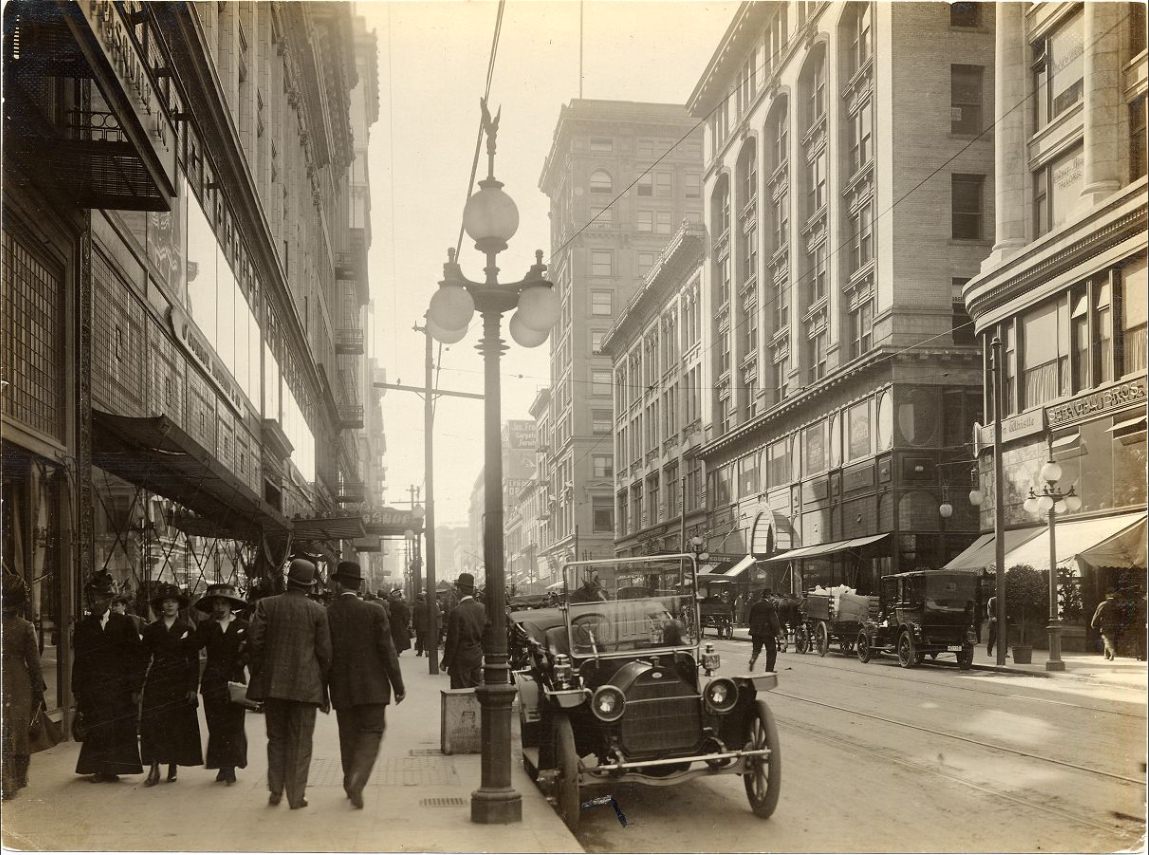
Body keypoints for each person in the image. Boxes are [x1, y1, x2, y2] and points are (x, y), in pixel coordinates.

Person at [248, 558, 332, 810]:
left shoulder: (266, 605)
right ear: (309, 585)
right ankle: (296, 796)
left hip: (274, 686)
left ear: (287, 580)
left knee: (276, 739)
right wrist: (324, 689)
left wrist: (261, 672)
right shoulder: (318, 611)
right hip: (306, 688)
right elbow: (325, 654)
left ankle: (275, 790)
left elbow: (255, 642)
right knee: (301, 742)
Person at [326, 561, 405, 809]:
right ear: (358, 585)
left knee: (347, 736)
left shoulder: (328, 613)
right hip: (373, 688)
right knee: (372, 732)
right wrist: (398, 685)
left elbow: (323, 654)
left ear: (338, 584)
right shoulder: (375, 611)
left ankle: (349, 780)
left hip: (341, 688)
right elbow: (387, 651)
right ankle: (358, 779)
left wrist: (322, 692)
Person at [73, 573, 145, 782]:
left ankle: (113, 768)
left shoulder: (124, 623)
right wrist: (77, 689)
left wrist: (135, 687)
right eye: (93, 597)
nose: (95, 602)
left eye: (100, 598)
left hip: (120, 687)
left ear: (109, 600)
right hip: (94, 687)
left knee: (118, 726)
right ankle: (99, 768)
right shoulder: (84, 626)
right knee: (98, 725)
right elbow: (80, 661)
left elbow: (137, 657)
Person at [139, 584, 203, 787]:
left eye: (173, 602)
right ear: (161, 606)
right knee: (154, 724)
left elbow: (193, 661)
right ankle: (154, 767)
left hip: (179, 682)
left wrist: (192, 688)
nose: (169, 605)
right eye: (166, 602)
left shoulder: (186, 629)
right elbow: (143, 659)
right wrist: (137, 686)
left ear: (178, 605)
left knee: (175, 724)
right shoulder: (151, 630)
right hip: (157, 681)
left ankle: (173, 764)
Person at [193, 583, 250, 785]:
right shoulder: (206, 626)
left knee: (235, 724)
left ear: (231, 605)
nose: (220, 607)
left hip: (235, 681)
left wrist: (242, 660)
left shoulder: (243, 626)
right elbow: (194, 646)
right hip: (213, 681)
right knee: (216, 724)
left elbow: (253, 650)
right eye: (216, 603)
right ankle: (222, 765)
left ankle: (230, 766)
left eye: (224, 603)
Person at [2, 574, 45, 800]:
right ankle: (14, 781)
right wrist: (38, 692)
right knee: (18, 731)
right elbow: (35, 664)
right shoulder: (25, 627)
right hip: (19, 684)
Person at [441, 573, 486, 689]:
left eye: (457, 588)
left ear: (460, 590)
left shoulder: (457, 612)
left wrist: (445, 662)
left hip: (460, 659)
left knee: (460, 692)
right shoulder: (482, 608)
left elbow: (452, 640)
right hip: (476, 656)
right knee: (475, 690)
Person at [747, 589, 784, 673]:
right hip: (767, 632)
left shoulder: (755, 605)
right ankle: (769, 670)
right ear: (768, 596)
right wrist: (778, 631)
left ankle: (753, 659)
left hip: (755, 632)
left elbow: (750, 619)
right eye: (771, 596)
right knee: (771, 651)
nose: (771, 598)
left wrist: (753, 627)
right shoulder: (769, 606)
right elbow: (774, 620)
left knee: (756, 649)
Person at [1091, 591, 1122, 661]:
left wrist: (1093, 623)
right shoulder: (1117, 605)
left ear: (1107, 595)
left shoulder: (1103, 604)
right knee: (1110, 639)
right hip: (1114, 625)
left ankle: (1112, 651)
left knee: (1107, 639)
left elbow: (1097, 614)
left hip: (1105, 625)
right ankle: (1106, 655)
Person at [388, 589, 412, 656]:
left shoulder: (390, 604)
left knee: (394, 637)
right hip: (400, 623)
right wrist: (406, 623)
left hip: (392, 623)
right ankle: (398, 650)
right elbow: (405, 615)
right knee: (399, 637)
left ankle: (395, 649)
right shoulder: (402, 605)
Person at [412, 592, 429, 657]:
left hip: (419, 626)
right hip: (427, 625)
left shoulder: (416, 607)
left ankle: (420, 652)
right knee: (426, 639)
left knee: (420, 639)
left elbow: (415, 618)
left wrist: (414, 626)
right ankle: (427, 651)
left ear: (418, 599)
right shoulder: (427, 606)